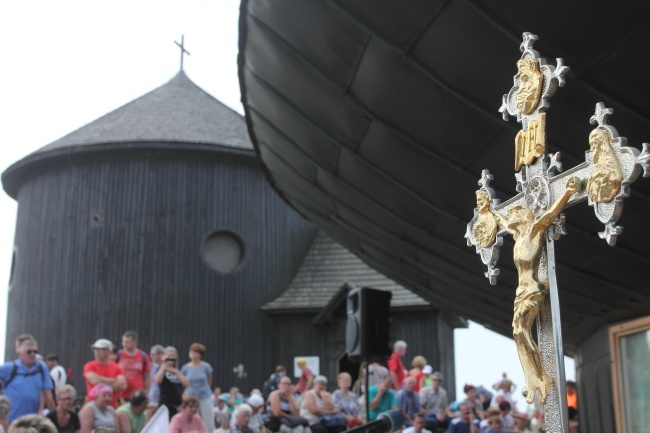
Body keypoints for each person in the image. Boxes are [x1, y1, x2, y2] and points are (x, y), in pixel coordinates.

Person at [492, 177, 580, 404]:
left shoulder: (534, 231)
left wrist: (568, 193)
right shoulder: (517, 236)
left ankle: (542, 377)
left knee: (521, 332)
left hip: (533, 289)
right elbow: (501, 221)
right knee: (517, 333)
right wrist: (491, 210)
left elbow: (550, 214)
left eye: (514, 216)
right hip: (520, 294)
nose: (510, 219)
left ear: (523, 217)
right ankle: (535, 378)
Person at [0, 337, 54, 421]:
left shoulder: (41, 369)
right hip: (11, 421)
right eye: (29, 352)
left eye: (35, 351)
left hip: (33, 422)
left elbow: (48, 394)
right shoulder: (9, 368)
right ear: (20, 353)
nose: (32, 354)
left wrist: (53, 417)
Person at [83, 339, 126, 408]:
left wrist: (100, 385)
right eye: (95, 349)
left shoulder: (117, 368)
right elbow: (94, 380)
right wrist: (113, 380)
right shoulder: (89, 365)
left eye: (100, 349)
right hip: (93, 406)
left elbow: (122, 385)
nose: (96, 352)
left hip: (112, 406)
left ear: (109, 351)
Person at [180, 343, 213, 430]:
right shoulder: (185, 368)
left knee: (207, 420)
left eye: (195, 351)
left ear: (200, 354)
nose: (192, 353)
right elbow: (182, 382)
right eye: (191, 350)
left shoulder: (206, 366)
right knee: (192, 418)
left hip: (205, 396)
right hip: (191, 397)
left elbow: (209, 381)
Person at [154, 347, 188, 419]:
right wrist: (164, 365)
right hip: (166, 403)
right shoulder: (161, 369)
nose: (171, 358)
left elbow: (186, 383)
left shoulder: (178, 371)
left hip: (177, 405)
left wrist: (176, 371)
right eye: (169, 356)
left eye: (173, 356)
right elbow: (157, 380)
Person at [117, 331, 151, 401]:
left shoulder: (143, 356)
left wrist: (146, 392)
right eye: (123, 342)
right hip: (121, 394)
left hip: (137, 394)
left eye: (127, 342)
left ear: (135, 342)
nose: (124, 344)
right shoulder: (118, 355)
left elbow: (147, 377)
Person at [146, 345, 164, 417]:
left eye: (153, 354)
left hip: (161, 398)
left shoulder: (164, 367)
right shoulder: (151, 367)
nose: (151, 356)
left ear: (160, 355)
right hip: (151, 399)